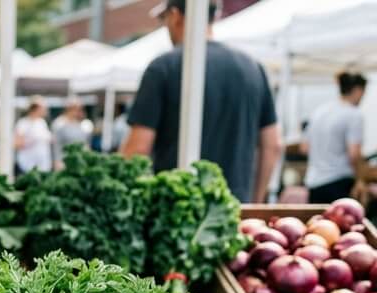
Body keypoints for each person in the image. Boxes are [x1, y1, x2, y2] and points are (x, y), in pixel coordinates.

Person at [120, 0, 280, 202]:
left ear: (176, 15)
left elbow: (137, 151)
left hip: (175, 211)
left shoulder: (162, 68)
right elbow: (272, 146)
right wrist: (254, 204)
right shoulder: (253, 68)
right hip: (235, 210)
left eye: (164, 18)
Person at [303, 72, 368, 205]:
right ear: (357, 90)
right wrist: (360, 180)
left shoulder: (319, 111)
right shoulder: (354, 114)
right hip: (339, 183)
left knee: (317, 224)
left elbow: (304, 148)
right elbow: (354, 154)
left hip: (314, 183)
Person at [15, 97, 53, 174]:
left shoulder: (42, 122)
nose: (45, 110)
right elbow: (17, 144)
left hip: (43, 165)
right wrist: (31, 141)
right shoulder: (23, 123)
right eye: (43, 108)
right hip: (28, 166)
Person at [52, 98, 92, 168]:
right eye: (76, 109)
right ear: (69, 109)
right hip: (65, 160)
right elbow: (56, 145)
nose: (79, 112)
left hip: (81, 160)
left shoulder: (83, 123)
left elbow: (86, 143)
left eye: (80, 109)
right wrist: (57, 161)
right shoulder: (59, 123)